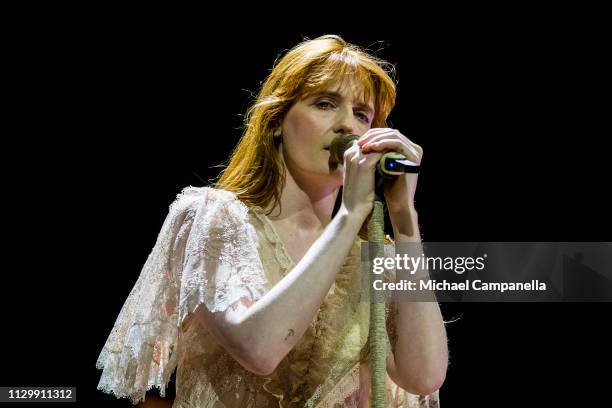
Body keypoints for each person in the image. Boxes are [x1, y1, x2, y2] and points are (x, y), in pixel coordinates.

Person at [96, 34, 448, 407]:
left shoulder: (375, 257)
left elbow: (423, 376)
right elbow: (259, 348)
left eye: (362, 114)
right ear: (276, 121)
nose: (349, 126)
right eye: (325, 103)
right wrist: (349, 216)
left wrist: (406, 221)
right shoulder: (216, 220)